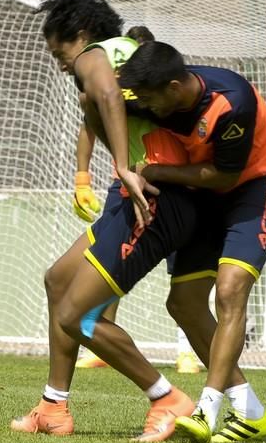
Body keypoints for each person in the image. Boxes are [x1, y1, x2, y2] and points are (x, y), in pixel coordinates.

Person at [11, 0, 198, 441]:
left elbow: (108, 99)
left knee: (81, 315)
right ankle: (53, 407)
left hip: (152, 196)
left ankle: (167, 398)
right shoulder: (131, 52)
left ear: (80, 33)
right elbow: (96, 106)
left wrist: (120, 167)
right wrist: (84, 175)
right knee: (59, 279)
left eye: (59, 54)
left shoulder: (97, 55)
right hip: (153, 192)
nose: (61, 64)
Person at [118, 40, 266, 443]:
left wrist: (157, 172)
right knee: (182, 303)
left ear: (175, 88)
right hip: (208, 197)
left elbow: (224, 177)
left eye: (150, 99)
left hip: (258, 185)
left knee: (230, 289)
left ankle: (207, 410)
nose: (145, 107)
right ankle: (251, 413)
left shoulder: (230, 102)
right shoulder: (155, 93)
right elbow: (100, 101)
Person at [73, 25, 201, 375]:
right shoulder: (119, 90)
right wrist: (82, 176)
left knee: (182, 271)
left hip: (170, 185)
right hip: (126, 182)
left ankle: (186, 350)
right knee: (110, 262)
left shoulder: (167, 98)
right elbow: (89, 118)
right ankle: (101, 335)